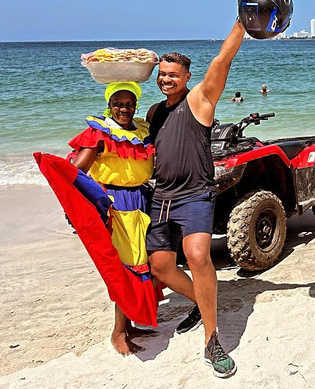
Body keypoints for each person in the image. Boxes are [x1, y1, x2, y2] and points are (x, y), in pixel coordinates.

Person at [145, 22, 246, 378]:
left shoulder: (199, 99)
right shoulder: (154, 113)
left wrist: (242, 20)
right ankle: (200, 302)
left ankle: (212, 339)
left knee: (198, 256)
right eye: (162, 75)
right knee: (160, 268)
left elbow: (223, 59)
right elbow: (146, 157)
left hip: (195, 194)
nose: (166, 80)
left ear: (187, 76)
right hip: (162, 198)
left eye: (173, 75)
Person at [69, 81, 155, 355]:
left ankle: (128, 325)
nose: (124, 109)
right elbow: (76, 172)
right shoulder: (101, 133)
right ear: (109, 105)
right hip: (119, 206)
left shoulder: (141, 131)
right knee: (128, 267)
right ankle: (118, 332)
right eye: (118, 103)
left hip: (142, 200)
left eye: (129, 104)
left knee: (142, 264)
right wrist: (95, 202)